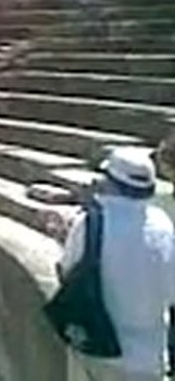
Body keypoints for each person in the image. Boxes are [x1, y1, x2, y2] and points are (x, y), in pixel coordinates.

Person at [59, 147, 175, 380]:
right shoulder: (164, 226)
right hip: (147, 360)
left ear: (110, 182)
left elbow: (66, 272)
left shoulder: (90, 223)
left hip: (96, 349)